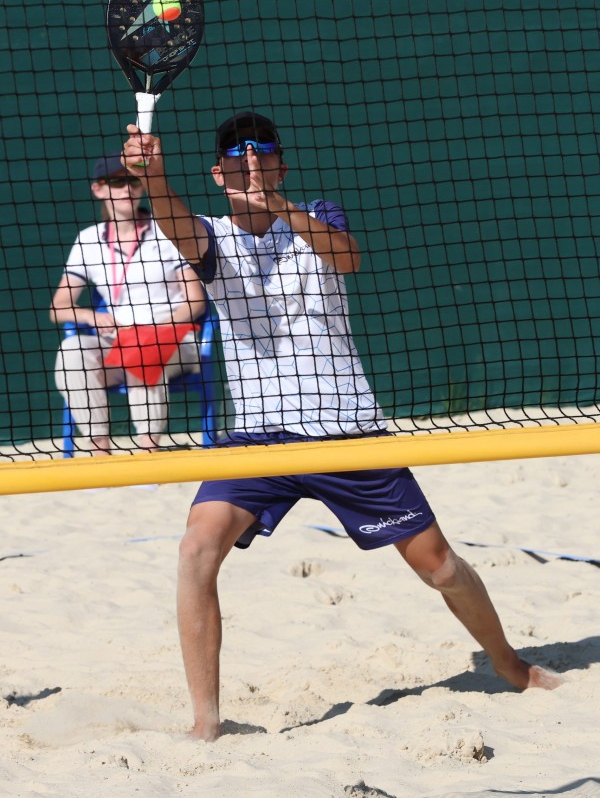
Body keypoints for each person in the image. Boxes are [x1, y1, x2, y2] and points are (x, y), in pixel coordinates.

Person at [121, 111, 562, 740]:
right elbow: (174, 221)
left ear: (282, 166)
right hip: (258, 439)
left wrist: (279, 206)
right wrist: (153, 177)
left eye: (264, 156)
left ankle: (509, 664)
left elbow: (347, 257)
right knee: (195, 550)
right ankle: (206, 724)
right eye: (239, 159)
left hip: (342, 427)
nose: (253, 166)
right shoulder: (210, 238)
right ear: (218, 175)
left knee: (439, 568)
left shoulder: (318, 216)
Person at [50, 152, 207, 455]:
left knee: (143, 351)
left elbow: (195, 301)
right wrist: (91, 317)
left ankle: (148, 453)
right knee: (72, 353)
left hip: (173, 341)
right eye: (117, 182)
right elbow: (58, 307)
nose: (127, 189)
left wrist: (156, 330)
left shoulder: (167, 231)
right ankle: (100, 452)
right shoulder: (88, 240)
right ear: (98, 189)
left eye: (134, 181)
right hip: (117, 341)